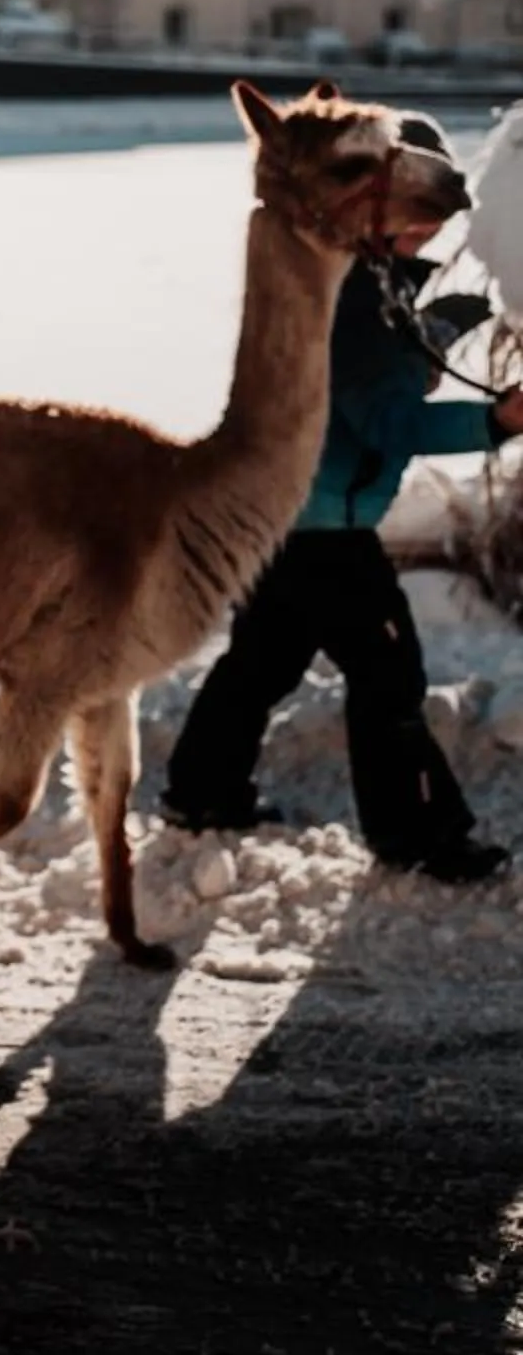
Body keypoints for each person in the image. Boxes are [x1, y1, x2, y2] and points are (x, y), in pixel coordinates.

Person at [161, 183, 515, 883]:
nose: (427, 235)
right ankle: (417, 835)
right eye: (416, 221)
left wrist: (427, 331)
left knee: (260, 663)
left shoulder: (345, 282)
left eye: (434, 225)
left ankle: (200, 794)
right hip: (327, 531)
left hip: (284, 520)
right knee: (389, 676)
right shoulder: (358, 300)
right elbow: (385, 420)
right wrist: (495, 423)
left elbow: (372, 380)